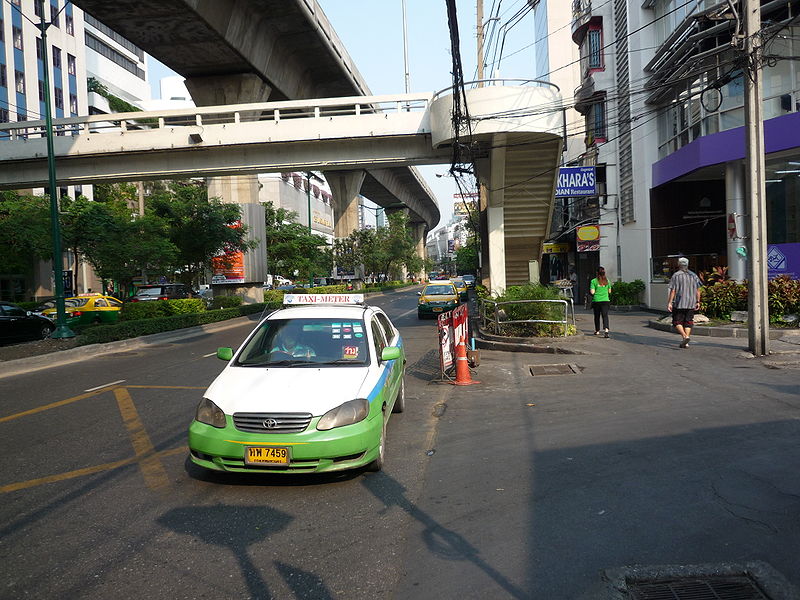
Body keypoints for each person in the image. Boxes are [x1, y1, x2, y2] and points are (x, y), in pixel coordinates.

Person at [667, 257, 702, 348]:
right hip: (691, 303)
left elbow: (673, 290)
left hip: (679, 303)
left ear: (678, 264)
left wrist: (670, 302)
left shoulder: (676, 275)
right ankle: (686, 342)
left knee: (677, 321)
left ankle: (685, 336)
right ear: (687, 264)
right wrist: (698, 301)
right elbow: (698, 290)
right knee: (688, 322)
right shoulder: (694, 275)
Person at [589, 266, 612, 338]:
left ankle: (597, 330)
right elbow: (609, 291)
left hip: (597, 301)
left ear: (597, 273)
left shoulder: (593, 281)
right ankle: (606, 331)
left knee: (597, 316)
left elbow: (592, 292)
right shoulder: (607, 281)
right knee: (605, 316)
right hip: (605, 301)